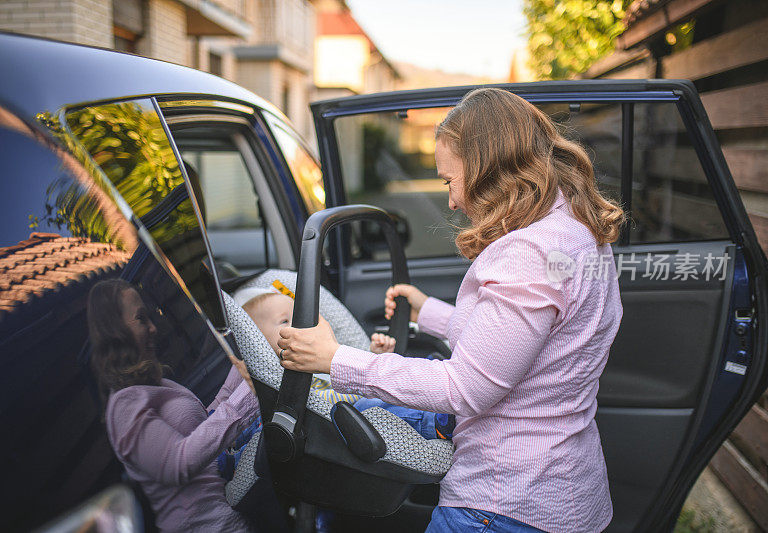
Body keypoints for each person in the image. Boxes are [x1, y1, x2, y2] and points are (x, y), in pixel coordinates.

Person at [277, 88, 625, 533]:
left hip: (506, 503)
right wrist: (428, 313)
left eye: (449, 180)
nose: (452, 202)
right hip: (564, 486)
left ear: (486, 168)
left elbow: (466, 388)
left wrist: (334, 359)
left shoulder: (530, 251)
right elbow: (529, 340)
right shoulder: (576, 229)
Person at [87, 279, 259, 532]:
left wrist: (243, 369)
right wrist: (246, 397)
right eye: (142, 319)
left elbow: (206, 422)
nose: (154, 328)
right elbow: (178, 462)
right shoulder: (123, 407)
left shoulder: (151, 385)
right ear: (116, 332)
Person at [234, 286, 454, 441]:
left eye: (299, 313)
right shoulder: (277, 381)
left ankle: (436, 380)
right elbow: (255, 427)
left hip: (360, 392)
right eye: (284, 320)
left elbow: (351, 369)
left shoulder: (318, 349)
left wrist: (374, 354)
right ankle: (435, 420)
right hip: (339, 419)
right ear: (259, 344)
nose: (300, 322)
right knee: (373, 409)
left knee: (395, 372)